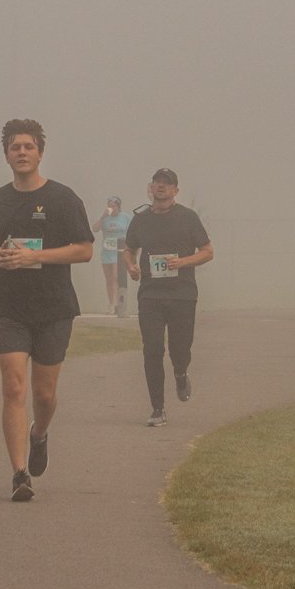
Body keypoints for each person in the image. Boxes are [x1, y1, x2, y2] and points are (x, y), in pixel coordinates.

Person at [0, 119, 93, 502]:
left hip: (53, 306)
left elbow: (84, 249)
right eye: (14, 147)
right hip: (8, 306)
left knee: (43, 393)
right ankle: (19, 473)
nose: (21, 153)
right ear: (6, 155)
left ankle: (39, 433)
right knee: (13, 386)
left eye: (28, 146)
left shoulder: (62, 199)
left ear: (40, 152)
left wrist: (35, 256)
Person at [124, 168, 214, 426]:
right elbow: (129, 249)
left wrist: (183, 262)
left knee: (180, 348)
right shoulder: (140, 219)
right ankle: (157, 409)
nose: (161, 187)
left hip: (182, 294)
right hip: (150, 295)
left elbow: (208, 251)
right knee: (152, 349)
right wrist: (131, 266)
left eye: (167, 184)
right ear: (150, 187)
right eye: (157, 183)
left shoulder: (187, 217)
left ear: (176, 190)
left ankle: (181, 372)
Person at [92, 196, 131, 315]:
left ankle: (119, 303)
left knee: (116, 277)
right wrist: (102, 217)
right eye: (109, 206)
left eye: (113, 206)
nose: (111, 208)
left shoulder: (125, 217)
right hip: (107, 250)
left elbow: (130, 232)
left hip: (119, 250)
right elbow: (95, 229)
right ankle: (111, 303)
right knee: (109, 279)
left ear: (118, 207)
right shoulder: (105, 218)